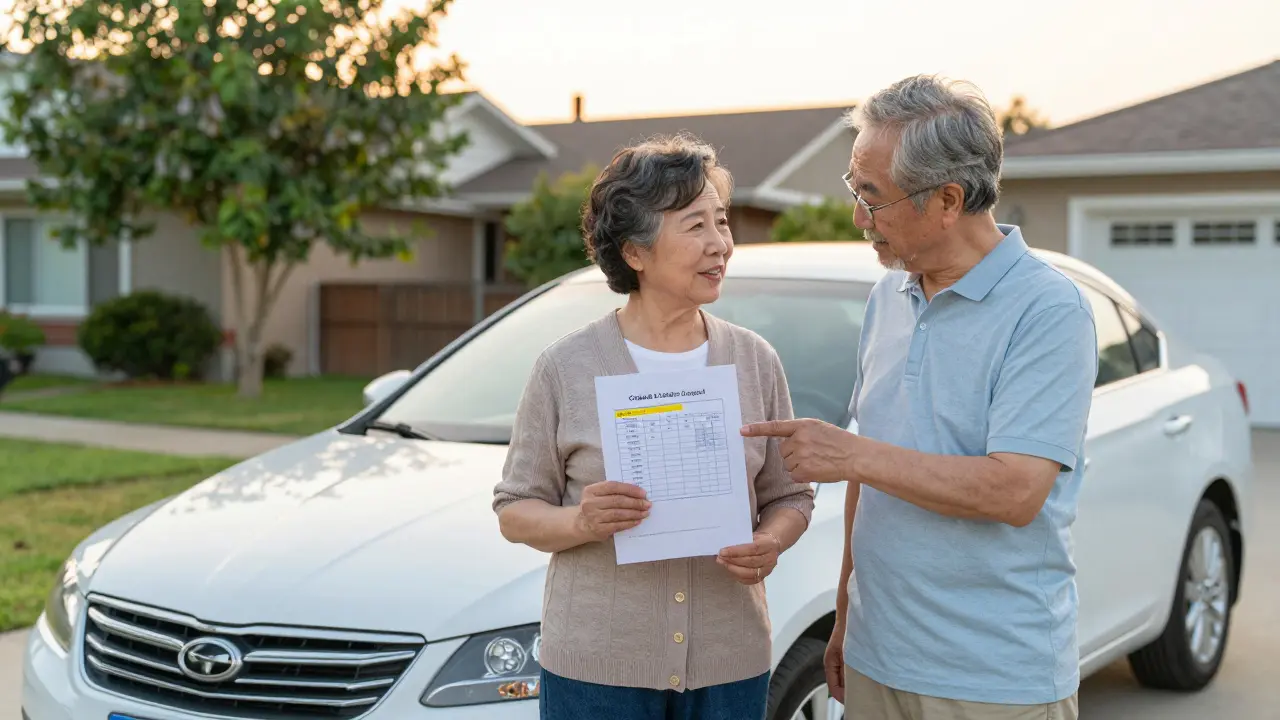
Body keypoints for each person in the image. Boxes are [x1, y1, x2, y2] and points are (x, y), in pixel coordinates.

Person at [742, 75, 1098, 719]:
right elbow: (870, 467)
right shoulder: (889, 295)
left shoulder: (1049, 311)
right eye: (856, 190)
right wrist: (847, 616)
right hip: (879, 662)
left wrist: (853, 456)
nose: (858, 217)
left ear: (947, 200)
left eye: (871, 198)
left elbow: (1014, 492)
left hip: (994, 679)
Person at [493, 133, 814, 720]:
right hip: (597, 671)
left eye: (722, 222)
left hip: (729, 663)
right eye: (695, 227)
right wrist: (582, 521)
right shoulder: (565, 368)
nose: (720, 244)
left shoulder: (754, 360)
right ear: (635, 252)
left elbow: (789, 496)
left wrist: (770, 542)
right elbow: (515, 510)